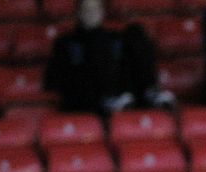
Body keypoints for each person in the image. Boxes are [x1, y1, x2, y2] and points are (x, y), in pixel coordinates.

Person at [44, 0, 173, 116]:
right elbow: (56, 79)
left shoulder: (113, 38)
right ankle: (109, 100)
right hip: (84, 98)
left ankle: (149, 92)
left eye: (96, 8)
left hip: (121, 93)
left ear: (102, 12)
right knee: (95, 45)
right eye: (87, 9)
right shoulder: (65, 42)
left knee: (135, 32)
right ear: (78, 13)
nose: (92, 13)